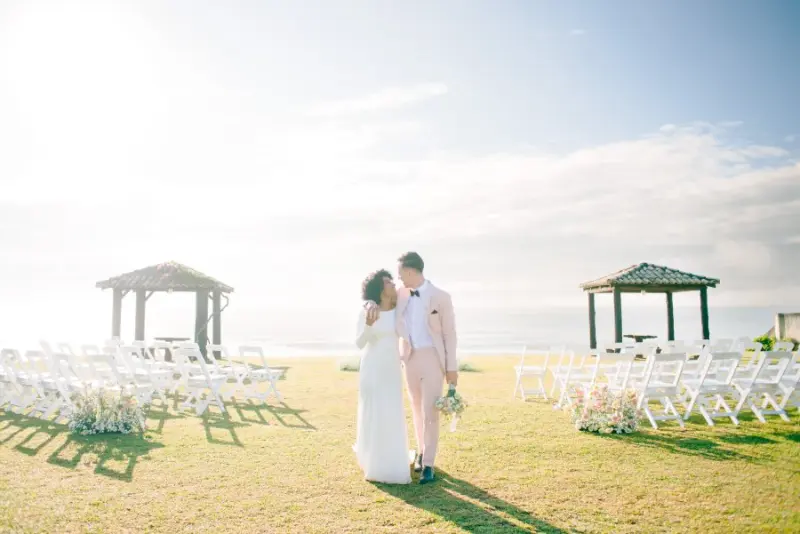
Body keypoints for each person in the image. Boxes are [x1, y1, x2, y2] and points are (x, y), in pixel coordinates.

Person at [365, 251, 458, 484]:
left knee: (431, 412)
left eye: (400, 274)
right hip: (409, 359)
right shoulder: (401, 295)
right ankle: (420, 452)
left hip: (433, 359)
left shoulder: (441, 297)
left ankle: (428, 464)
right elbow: (379, 301)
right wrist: (368, 303)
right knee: (416, 409)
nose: (398, 279)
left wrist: (451, 368)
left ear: (410, 270)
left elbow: (450, 334)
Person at [352, 269, 412, 484]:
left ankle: (393, 459)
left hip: (392, 368)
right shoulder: (368, 311)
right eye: (387, 282)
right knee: (376, 411)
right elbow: (360, 343)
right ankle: (375, 462)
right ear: (379, 288)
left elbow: (410, 291)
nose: (392, 284)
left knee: (392, 411)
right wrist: (368, 323)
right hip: (373, 368)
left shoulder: (398, 310)